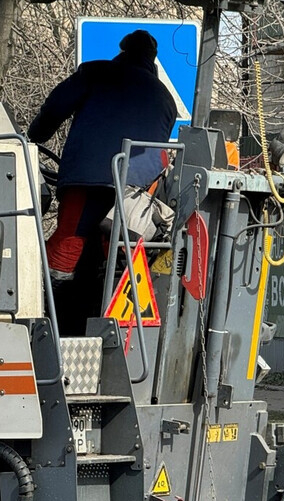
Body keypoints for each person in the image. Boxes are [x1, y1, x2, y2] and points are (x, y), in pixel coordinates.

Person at [28, 29, 177, 336]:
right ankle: (112, 321)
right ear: (152, 60)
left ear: (122, 51)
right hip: (134, 190)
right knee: (116, 253)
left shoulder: (97, 72)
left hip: (89, 178)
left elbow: (55, 107)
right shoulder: (165, 97)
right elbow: (160, 148)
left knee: (70, 239)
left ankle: (44, 321)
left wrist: (35, 136)